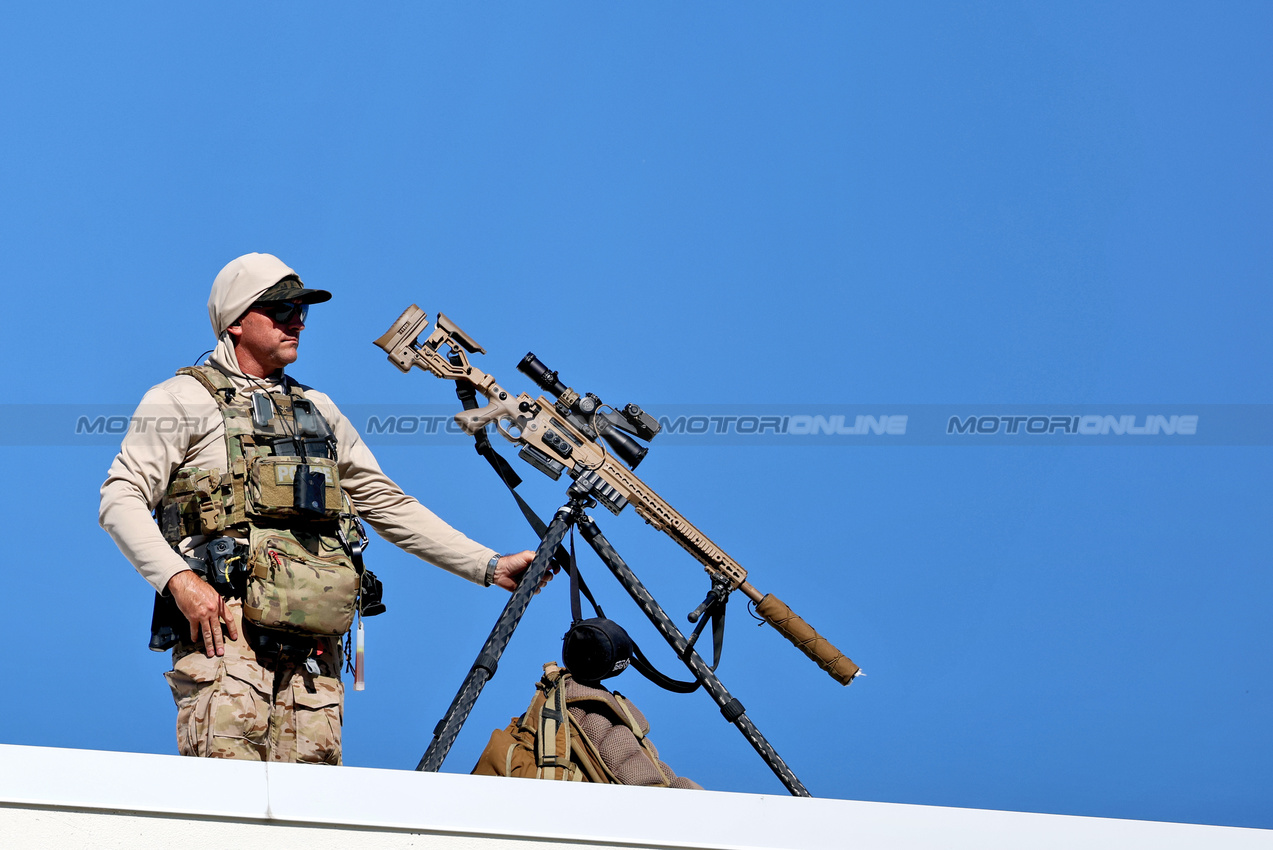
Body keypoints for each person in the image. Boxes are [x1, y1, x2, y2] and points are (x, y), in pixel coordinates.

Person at [100, 252, 540, 764]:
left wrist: (488, 565)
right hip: (227, 633)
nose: (298, 321)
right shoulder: (181, 399)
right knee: (229, 793)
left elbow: (384, 501)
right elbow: (120, 497)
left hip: (313, 650)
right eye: (281, 309)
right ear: (236, 322)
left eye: (302, 310)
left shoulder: (319, 410)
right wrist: (180, 582)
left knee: (313, 798)